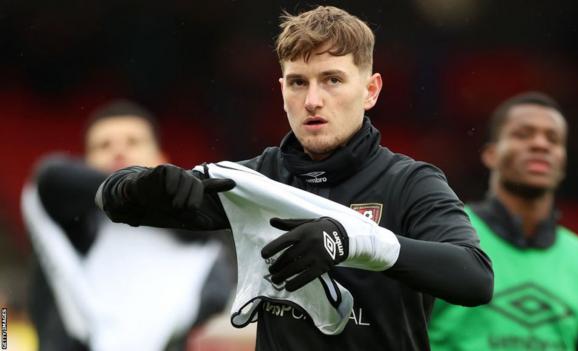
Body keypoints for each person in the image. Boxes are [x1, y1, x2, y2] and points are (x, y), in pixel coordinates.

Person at [96, 6, 494, 351]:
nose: (313, 100)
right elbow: (111, 201)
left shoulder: (409, 182)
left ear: (370, 90)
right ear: (282, 90)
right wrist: (140, 184)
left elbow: (475, 278)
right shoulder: (257, 181)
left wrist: (353, 242)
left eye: (332, 80)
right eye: (299, 82)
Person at [22, 100, 235, 351]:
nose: (118, 152)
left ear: (161, 160)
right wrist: (131, 188)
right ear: (86, 163)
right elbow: (50, 177)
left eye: (133, 142)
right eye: (104, 145)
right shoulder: (72, 225)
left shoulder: (202, 240)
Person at [428, 92, 578, 350]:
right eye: (523, 134)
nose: (540, 144)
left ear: (563, 159)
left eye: (553, 139)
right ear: (491, 154)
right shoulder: (441, 234)